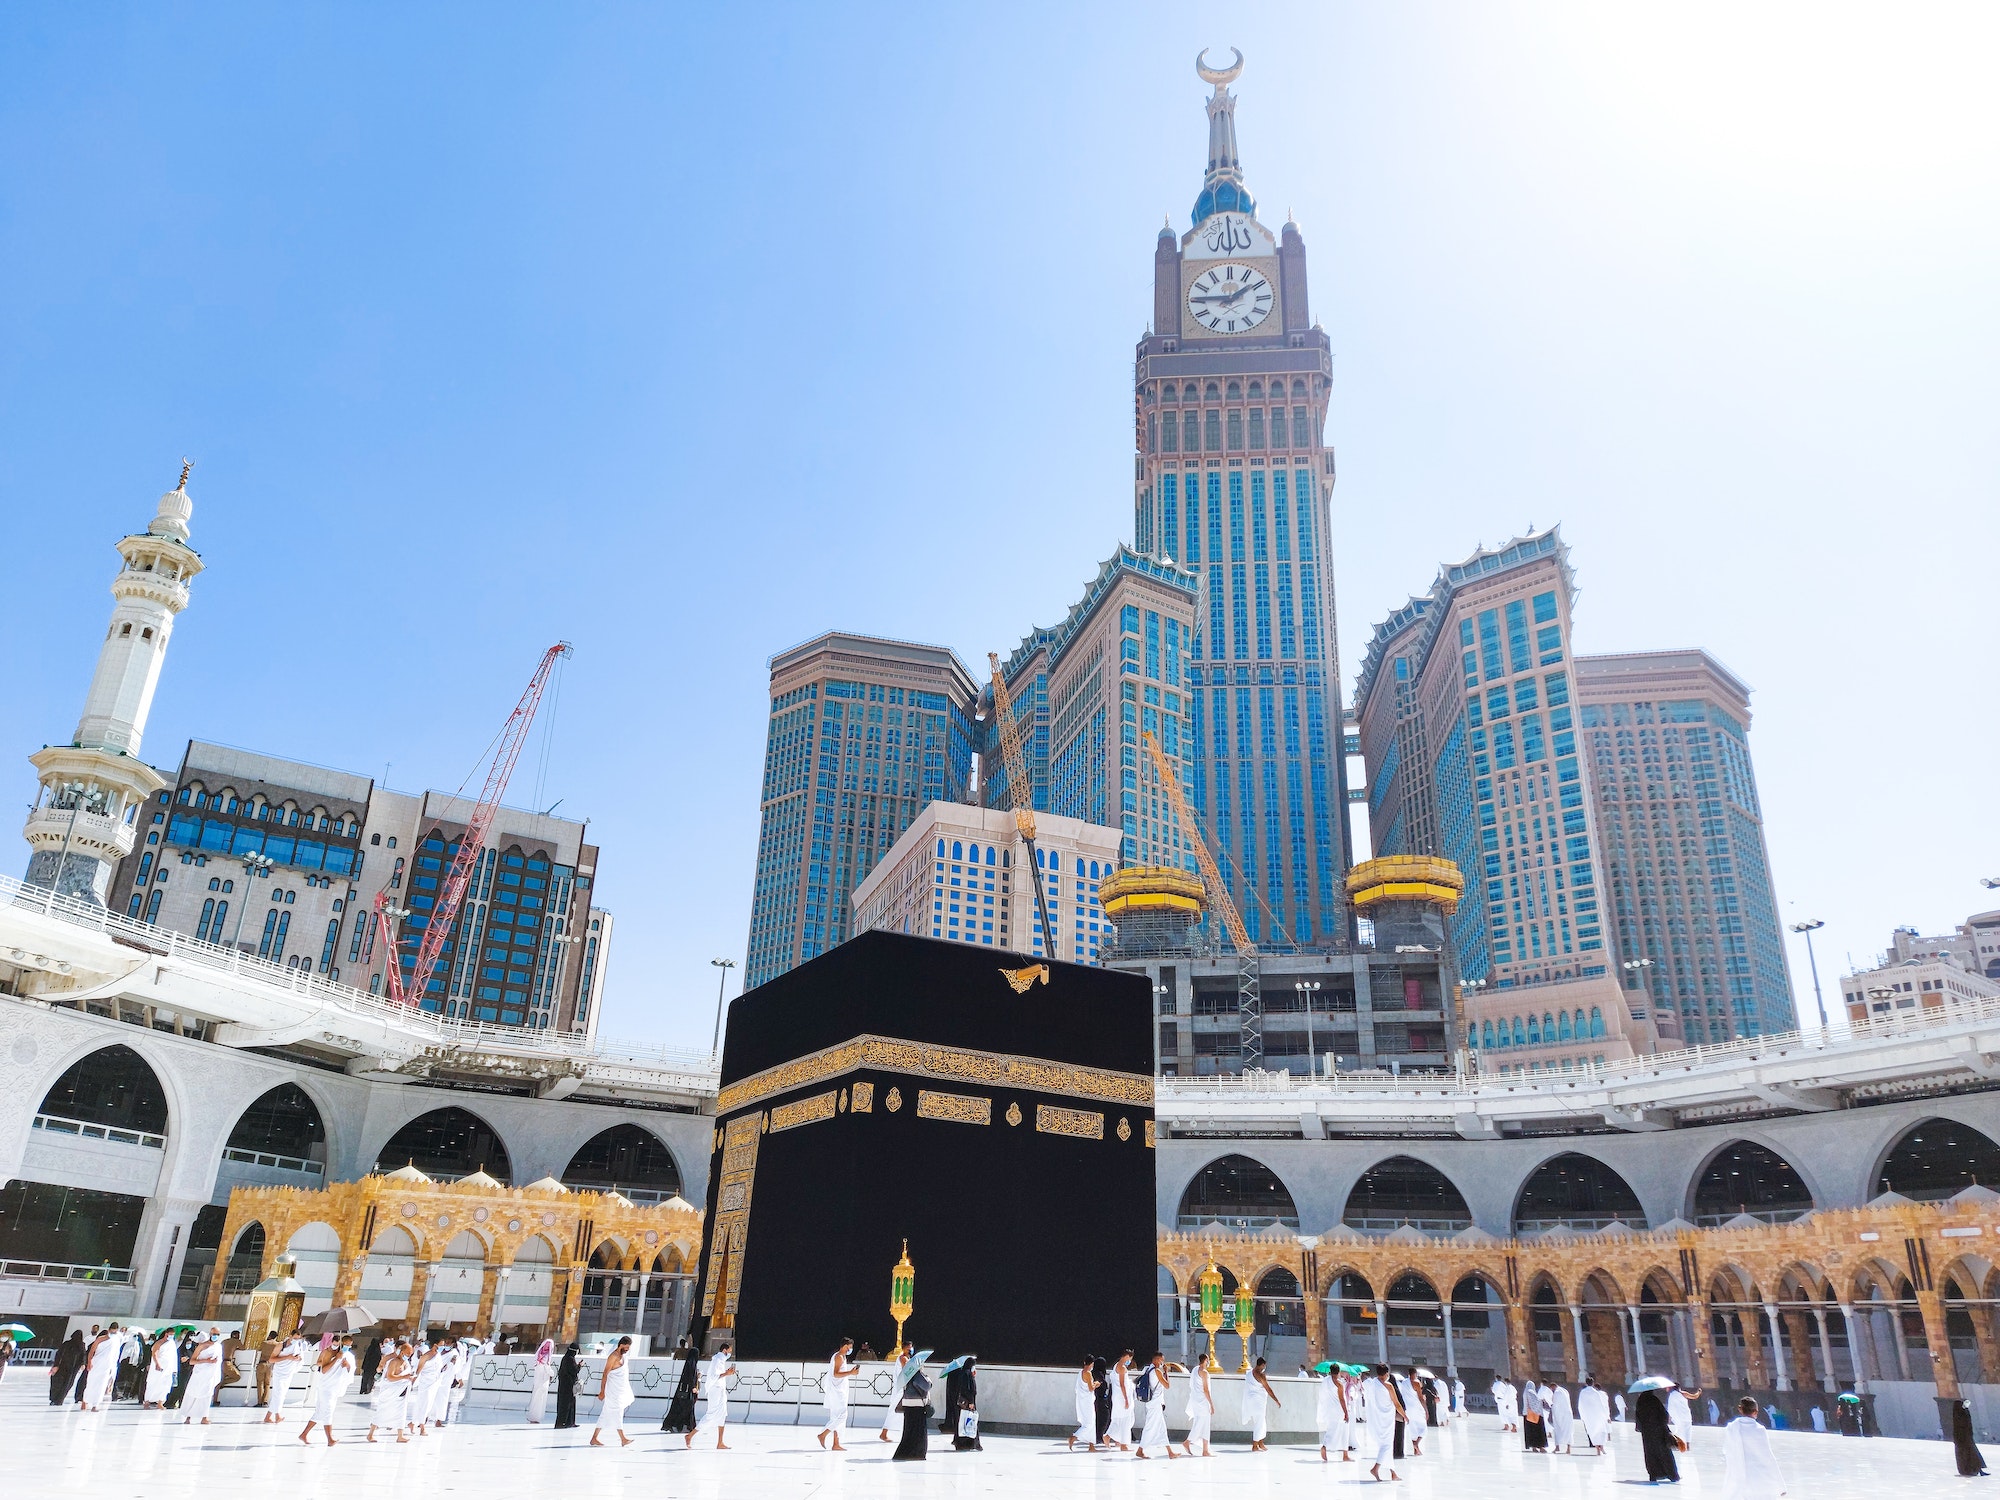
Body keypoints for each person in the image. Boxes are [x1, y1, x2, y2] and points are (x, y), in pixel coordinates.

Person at [1721, 1398, 1786, 1500]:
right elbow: (1768, 1456)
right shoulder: (1760, 1430)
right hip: (1759, 1479)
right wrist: (1780, 1485)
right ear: (1756, 1412)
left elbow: (1726, 1450)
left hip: (1737, 1478)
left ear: (1740, 1409)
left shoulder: (1731, 1428)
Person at [298, 1335, 355, 1446]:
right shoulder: (327, 1353)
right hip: (326, 1387)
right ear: (340, 1343)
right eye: (345, 1345)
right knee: (328, 1411)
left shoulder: (349, 1356)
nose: (347, 1347)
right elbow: (323, 1370)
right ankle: (330, 1439)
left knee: (320, 1412)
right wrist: (336, 1359)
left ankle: (304, 1434)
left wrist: (347, 1366)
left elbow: (350, 1371)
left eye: (349, 1345)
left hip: (335, 1387)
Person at [688, 1339, 735, 1449]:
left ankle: (720, 1442)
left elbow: (720, 1374)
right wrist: (727, 1373)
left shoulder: (721, 1360)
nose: (730, 1353)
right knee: (711, 1415)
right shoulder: (717, 1359)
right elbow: (714, 1376)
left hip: (721, 1390)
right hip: (715, 1390)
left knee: (722, 1414)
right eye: (729, 1351)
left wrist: (726, 1373)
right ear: (724, 1350)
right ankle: (690, 1436)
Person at [591, 1335, 635, 1447]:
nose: (627, 1349)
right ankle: (623, 1438)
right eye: (626, 1347)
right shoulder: (613, 1356)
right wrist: (602, 1391)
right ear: (621, 1345)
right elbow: (605, 1373)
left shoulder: (623, 1356)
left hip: (620, 1389)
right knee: (617, 1411)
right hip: (612, 1390)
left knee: (606, 1413)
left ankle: (594, 1438)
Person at [1362, 1363, 1403, 1482]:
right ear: (1386, 1374)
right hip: (1386, 1420)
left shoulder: (1372, 1383)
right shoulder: (1388, 1385)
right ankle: (1375, 1468)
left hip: (1377, 1418)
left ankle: (1393, 1473)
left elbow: (1365, 1391)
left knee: (1386, 1445)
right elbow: (1397, 1403)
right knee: (1387, 1445)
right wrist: (1404, 1416)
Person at [367, 1339, 413, 1442]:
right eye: (408, 1353)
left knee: (401, 1413)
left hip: (401, 1391)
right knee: (382, 1412)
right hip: (390, 1391)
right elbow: (390, 1377)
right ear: (401, 1351)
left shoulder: (406, 1362)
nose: (409, 1355)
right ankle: (370, 1434)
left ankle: (400, 1436)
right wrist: (404, 1377)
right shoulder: (393, 1361)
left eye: (411, 1353)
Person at [1634, 1388, 1680, 1484]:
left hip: (1647, 1432)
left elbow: (1638, 1416)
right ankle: (1672, 1475)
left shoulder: (1640, 1401)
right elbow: (1663, 1414)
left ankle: (1653, 1474)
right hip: (1659, 1431)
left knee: (1650, 1453)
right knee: (1664, 1453)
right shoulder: (1654, 1400)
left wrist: (1642, 1428)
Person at [818, 1337, 857, 1450]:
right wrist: (851, 1372)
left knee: (836, 1416)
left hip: (840, 1390)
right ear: (845, 1346)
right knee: (842, 1416)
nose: (850, 1349)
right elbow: (836, 1374)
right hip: (837, 1391)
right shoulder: (839, 1357)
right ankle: (823, 1434)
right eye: (849, 1347)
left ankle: (836, 1443)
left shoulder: (842, 1357)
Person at [892, 1354, 932, 1461]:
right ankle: (917, 1453)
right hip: (917, 1406)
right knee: (919, 1431)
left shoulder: (907, 1374)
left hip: (908, 1406)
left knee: (909, 1430)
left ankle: (905, 1452)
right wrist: (926, 1377)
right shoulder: (917, 1374)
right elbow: (927, 1386)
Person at [181, 1328, 224, 1424]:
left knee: (207, 1395)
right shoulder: (202, 1346)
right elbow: (192, 1361)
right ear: (210, 1334)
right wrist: (206, 1361)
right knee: (193, 1394)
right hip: (199, 1375)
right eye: (213, 1334)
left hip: (210, 1376)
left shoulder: (218, 1346)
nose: (215, 1336)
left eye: (217, 1334)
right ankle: (188, 1417)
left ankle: (204, 1417)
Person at [1134, 1351, 1172, 1459]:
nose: (1162, 1362)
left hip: (1151, 1402)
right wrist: (1166, 1372)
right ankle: (1140, 1450)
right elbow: (1167, 1385)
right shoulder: (1157, 1371)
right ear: (1156, 1360)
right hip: (1155, 1403)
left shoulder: (1147, 1369)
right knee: (1149, 1427)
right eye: (1161, 1360)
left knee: (1162, 1428)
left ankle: (1170, 1452)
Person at [945, 1355, 983, 1452]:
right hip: (968, 1403)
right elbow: (967, 1389)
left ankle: (963, 1443)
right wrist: (971, 1402)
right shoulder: (966, 1374)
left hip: (964, 1403)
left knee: (963, 1421)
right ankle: (971, 1443)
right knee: (970, 1422)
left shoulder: (964, 1373)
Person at [80, 1323, 119, 1411]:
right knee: (90, 1383)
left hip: (106, 1366)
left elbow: (115, 1355)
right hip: (96, 1364)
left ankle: (95, 1405)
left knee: (101, 1385)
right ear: (109, 1330)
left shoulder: (116, 1341)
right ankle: (84, 1401)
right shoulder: (100, 1339)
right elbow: (91, 1351)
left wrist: (113, 1368)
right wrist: (89, 1362)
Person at [1318, 1362, 1352, 1462]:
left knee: (1339, 1430)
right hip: (1338, 1410)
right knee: (1335, 1430)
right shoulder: (1339, 1383)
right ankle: (1325, 1446)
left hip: (1329, 1409)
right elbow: (1342, 1399)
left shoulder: (1326, 1380)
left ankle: (1345, 1454)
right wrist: (1346, 1412)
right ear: (1339, 1371)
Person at [1182, 1357, 1215, 1458]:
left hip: (1196, 1400)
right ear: (1205, 1360)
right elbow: (1206, 1390)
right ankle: (1188, 1441)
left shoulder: (1195, 1369)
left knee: (1205, 1424)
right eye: (1208, 1360)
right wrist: (1211, 1404)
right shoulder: (1204, 1373)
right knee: (1200, 1423)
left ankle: (1205, 1450)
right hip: (1203, 1402)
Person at [879, 1343, 909, 1443]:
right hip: (900, 1388)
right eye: (908, 1348)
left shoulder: (904, 1358)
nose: (910, 1350)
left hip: (900, 1388)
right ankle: (884, 1433)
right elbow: (908, 1371)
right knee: (894, 1410)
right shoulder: (903, 1358)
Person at [1106, 1350, 1135, 1450]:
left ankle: (1109, 1436)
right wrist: (1126, 1399)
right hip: (1122, 1397)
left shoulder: (1116, 1366)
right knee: (1126, 1419)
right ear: (1127, 1356)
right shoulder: (1122, 1368)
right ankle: (1123, 1444)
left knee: (1119, 1419)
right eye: (1129, 1359)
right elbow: (1122, 1385)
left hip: (1117, 1396)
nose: (1130, 1361)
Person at [143, 1328, 179, 1408]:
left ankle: (160, 1402)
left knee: (165, 1384)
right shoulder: (159, 1343)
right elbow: (154, 1354)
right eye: (170, 1334)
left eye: (173, 1335)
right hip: (158, 1367)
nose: (171, 1336)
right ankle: (147, 1401)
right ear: (166, 1334)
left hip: (168, 1368)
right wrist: (157, 1363)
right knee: (153, 1383)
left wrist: (174, 1369)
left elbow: (173, 1357)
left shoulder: (172, 1343)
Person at [1953, 1399, 1990, 1477]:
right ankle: (1970, 1470)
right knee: (1969, 1455)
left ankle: (1977, 1469)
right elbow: (1960, 1427)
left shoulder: (1963, 1412)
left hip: (1967, 1437)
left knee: (1972, 1454)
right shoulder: (1958, 1414)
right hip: (1962, 1439)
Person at [49, 1331, 85, 1406]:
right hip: (73, 1369)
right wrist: (83, 1364)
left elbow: (59, 1354)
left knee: (58, 1383)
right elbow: (83, 1356)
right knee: (67, 1384)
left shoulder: (67, 1344)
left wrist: (56, 1365)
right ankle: (59, 1400)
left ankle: (54, 1398)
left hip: (63, 1366)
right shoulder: (81, 1345)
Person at [1070, 1357, 1098, 1451]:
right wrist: (1096, 1384)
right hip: (1087, 1402)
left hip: (1082, 1401)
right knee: (1089, 1424)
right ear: (1092, 1363)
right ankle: (1074, 1438)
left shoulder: (1080, 1372)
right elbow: (1091, 1388)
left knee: (1090, 1422)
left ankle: (1091, 1445)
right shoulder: (1088, 1373)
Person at [1396, 1368, 1426, 1457]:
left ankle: (1415, 1450)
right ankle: (1416, 1444)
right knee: (1423, 1428)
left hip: (1407, 1408)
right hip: (1416, 1407)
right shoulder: (1416, 1382)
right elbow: (1420, 1398)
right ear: (1415, 1374)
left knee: (1413, 1429)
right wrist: (1426, 1410)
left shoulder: (1404, 1382)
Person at [1577, 1376, 1611, 1454]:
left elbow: (1580, 1405)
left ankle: (1598, 1449)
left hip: (1588, 1416)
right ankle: (1601, 1447)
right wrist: (1606, 1416)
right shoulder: (1596, 1393)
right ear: (1593, 1383)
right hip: (1597, 1415)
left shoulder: (1582, 1392)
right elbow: (1601, 1405)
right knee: (1600, 1430)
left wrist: (1582, 1416)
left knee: (1592, 1432)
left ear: (1586, 1383)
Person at [527, 1338, 555, 1424]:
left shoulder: (538, 1356)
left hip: (537, 1381)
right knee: (540, 1400)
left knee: (535, 1398)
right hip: (543, 1381)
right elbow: (547, 1369)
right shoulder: (546, 1357)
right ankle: (536, 1417)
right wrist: (552, 1373)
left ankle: (532, 1416)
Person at [555, 1343, 581, 1429]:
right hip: (567, 1386)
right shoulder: (569, 1359)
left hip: (568, 1386)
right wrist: (579, 1366)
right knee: (565, 1405)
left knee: (571, 1404)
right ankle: (562, 1422)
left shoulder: (567, 1358)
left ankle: (570, 1422)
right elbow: (574, 1370)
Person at [1522, 1379, 1549, 1451]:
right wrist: (1541, 1400)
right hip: (1534, 1415)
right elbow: (1535, 1402)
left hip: (1527, 1415)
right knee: (1538, 1431)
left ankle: (1533, 1447)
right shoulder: (1530, 1392)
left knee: (1530, 1432)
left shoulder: (1525, 1392)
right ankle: (1541, 1447)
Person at [1548, 1380, 1575, 1453]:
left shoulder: (1557, 1392)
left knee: (1558, 1430)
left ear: (1553, 1387)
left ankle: (1558, 1447)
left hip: (1560, 1414)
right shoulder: (1564, 1391)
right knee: (1568, 1431)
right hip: (1568, 1414)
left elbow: (1554, 1404)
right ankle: (1568, 1448)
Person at [1667, 1386, 1696, 1453]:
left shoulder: (1672, 1396)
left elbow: (1671, 1408)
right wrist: (1699, 1392)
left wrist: (1669, 1418)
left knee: (1679, 1431)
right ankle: (1687, 1446)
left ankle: (1680, 1445)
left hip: (1678, 1417)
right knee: (1688, 1431)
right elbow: (1694, 1396)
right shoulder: (1683, 1393)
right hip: (1687, 1416)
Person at [1092, 1355, 1112, 1446]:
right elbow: (1101, 1384)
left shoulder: (1094, 1372)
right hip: (1100, 1399)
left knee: (1099, 1418)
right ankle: (1099, 1436)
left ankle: (1098, 1436)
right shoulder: (1098, 1374)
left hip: (1097, 1399)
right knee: (1103, 1418)